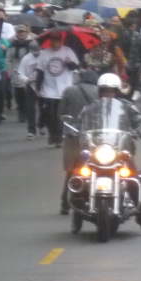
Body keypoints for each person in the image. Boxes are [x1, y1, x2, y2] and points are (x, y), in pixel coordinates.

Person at [73, 74, 141, 235]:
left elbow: (139, 120)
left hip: (120, 152)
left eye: (111, 91)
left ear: (117, 92)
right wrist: (73, 128)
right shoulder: (91, 107)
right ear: (100, 92)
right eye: (104, 91)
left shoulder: (127, 107)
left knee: (136, 181)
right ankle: (76, 216)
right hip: (96, 150)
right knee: (76, 177)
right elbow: (78, 120)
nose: (108, 94)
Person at [59, 70, 99, 214]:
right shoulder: (99, 92)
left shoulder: (69, 90)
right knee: (94, 168)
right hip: (93, 137)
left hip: (72, 135)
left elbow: (61, 113)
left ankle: (65, 203)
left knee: (72, 170)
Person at [36, 33, 79, 147]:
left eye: (57, 40)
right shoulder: (44, 53)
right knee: (50, 115)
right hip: (49, 88)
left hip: (64, 89)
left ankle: (59, 138)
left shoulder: (67, 51)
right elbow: (40, 72)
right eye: (53, 40)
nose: (55, 42)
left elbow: (75, 67)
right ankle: (52, 135)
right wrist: (37, 88)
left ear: (61, 41)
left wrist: (70, 63)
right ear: (50, 41)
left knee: (60, 116)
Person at [16, 40, 43, 139]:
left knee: (44, 108)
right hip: (30, 86)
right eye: (34, 52)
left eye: (38, 51)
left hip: (43, 86)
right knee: (30, 108)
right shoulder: (26, 59)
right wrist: (27, 80)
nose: (36, 54)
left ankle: (41, 124)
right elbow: (20, 73)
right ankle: (31, 130)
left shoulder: (45, 56)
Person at [7, 25, 33, 122]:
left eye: (23, 31)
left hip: (28, 73)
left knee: (27, 94)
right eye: (19, 32)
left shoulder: (32, 44)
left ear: (27, 33)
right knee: (18, 95)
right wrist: (10, 72)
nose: (21, 33)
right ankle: (21, 113)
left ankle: (27, 113)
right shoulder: (12, 44)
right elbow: (8, 59)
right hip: (16, 72)